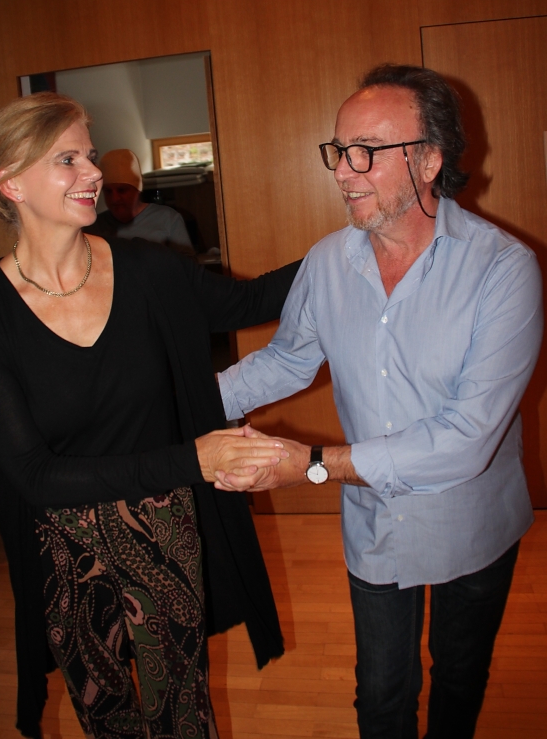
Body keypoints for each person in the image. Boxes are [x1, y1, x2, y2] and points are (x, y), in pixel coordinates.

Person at [0, 92, 299, 739]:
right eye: (67, 159)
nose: (93, 172)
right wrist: (195, 458)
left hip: (163, 524)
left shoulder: (148, 271)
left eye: (89, 155)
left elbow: (253, 301)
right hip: (62, 544)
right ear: (11, 183)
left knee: (183, 709)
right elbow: (35, 475)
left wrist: (358, 241)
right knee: (106, 716)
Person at [217, 64, 543, 739]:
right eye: (340, 150)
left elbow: (467, 438)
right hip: (376, 522)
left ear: (429, 160)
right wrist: (174, 405)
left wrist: (312, 465)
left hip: (471, 522)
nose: (343, 171)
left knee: (459, 676)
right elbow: (287, 360)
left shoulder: (503, 269)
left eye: (366, 150)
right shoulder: (327, 261)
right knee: (382, 692)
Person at [85, 147, 195, 255]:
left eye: (122, 190)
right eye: (108, 191)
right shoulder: (93, 226)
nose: (115, 198)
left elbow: (187, 263)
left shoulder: (168, 218)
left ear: (137, 189)